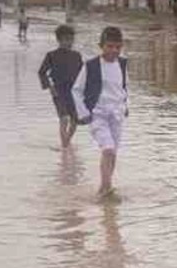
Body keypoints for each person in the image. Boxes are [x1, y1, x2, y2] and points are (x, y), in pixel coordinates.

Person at [71, 27, 129, 198]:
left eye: (118, 47)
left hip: (117, 114)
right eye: (110, 46)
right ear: (101, 46)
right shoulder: (90, 65)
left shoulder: (123, 64)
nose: (114, 51)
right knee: (108, 149)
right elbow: (76, 90)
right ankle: (105, 188)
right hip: (97, 114)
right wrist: (83, 113)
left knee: (114, 152)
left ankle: (107, 186)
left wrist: (126, 106)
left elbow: (125, 87)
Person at [38, 24, 84, 148]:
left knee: (75, 121)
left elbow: (82, 74)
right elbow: (42, 72)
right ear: (59, 40)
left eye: (71, 39)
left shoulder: (77, 56)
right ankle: (64, 147)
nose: (69, 42)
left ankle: (67, 141)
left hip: (74, 93)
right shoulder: (51, 55)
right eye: (66, 39)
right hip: (58, 92)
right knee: (64, 118)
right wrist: (50, 87)